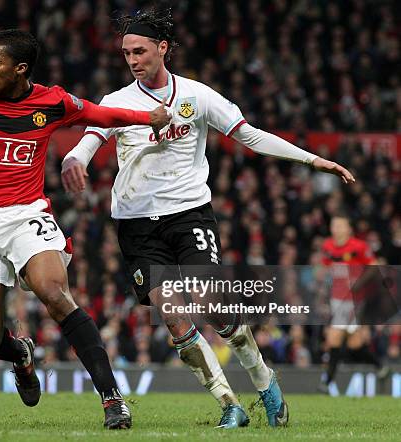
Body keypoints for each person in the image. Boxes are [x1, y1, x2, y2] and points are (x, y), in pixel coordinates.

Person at [62, 8, 355, 429]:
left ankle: (264, 379)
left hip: (189, 214)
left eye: (140, 51)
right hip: (136, 224)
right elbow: (89, 139)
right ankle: (228, 405)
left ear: (162, 49)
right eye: (126, 53)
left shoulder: (197, 96)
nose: (132, 60)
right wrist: (74, 160)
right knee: (172, 314)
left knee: (210, 304)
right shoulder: (117, 103)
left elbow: (249, 135)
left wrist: (313, 160)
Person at [0, 29, 170, 430]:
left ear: (20, 69)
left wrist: (149, 116)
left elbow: (101, 114)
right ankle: (22, 355)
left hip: (26, 213)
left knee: (54, 293)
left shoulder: (52, 102)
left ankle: (112, 399)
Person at [319, 212, 388, 393]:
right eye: (333, 225)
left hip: (353, 301)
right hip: (336, 299)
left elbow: (374, 266)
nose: (336, 229)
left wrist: (359, 284)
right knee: (355, 346)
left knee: (334, 337)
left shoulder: (359, 246)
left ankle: (326, 383)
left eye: (340, 225)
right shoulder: (327, 246)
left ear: (349, 229)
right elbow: (326, 268)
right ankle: (380, 367)